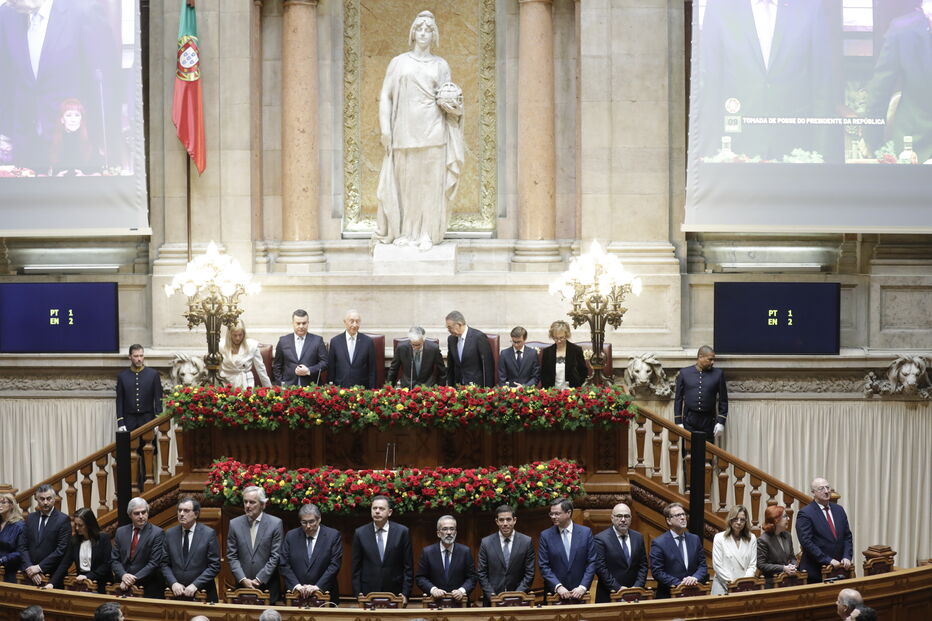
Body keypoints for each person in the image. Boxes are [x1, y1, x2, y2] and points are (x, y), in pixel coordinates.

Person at [695, 0, 843, 161]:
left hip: (796, 151)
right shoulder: (720, 6)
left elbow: (822, 86)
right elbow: (711, 85)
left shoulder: (809, 7)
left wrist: (822, 154)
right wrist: (708, 155)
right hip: (737, 149)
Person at [375, 10, 464, 250]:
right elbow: (385, 96)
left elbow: (448, 95)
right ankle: (406, 232)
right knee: (407, 184)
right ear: (412, 33)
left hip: (433, 129)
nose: (424, 33)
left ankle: (427, 233)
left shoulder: (440, 65)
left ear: (434, 35)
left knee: (431, 185)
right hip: (404, 130)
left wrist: (455, 106)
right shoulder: (399, 62)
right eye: (420, 28)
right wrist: (385, 129)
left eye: (429, 30)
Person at [0, 0, 117, 172]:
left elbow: (104, 83)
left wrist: (104, 139)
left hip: (73, 142)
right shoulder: (7, 14)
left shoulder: (84, 11)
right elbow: (6, 77)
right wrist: (4, 131)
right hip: (25, 142)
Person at [864, 1, 932, 162]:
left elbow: (879, 92)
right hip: (914, 150)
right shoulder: (903, 30)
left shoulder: (902, 29)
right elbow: (879, 92)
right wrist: (875, 145)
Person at [115, 344, 163, 489]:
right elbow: (120, 401)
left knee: (148, 453)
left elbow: (158, 399)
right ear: (130, 357)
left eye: (141, 355)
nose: (139, 359)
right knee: (129, 456)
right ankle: (132, 486)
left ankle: (149, 485)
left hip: (147, 419)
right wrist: (120, 422)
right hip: (129, 421)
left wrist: (157, 421)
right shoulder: (123, 376)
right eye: (136, 356)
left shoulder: (153, 375)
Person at [351, 495, 413, 602]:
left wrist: (405, 594)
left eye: (381, 508)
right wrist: (358, 594)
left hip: (395, 592)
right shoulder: (360, 533)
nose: (377, 511)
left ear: (389, 512)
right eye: (374, 508)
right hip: (367, 593)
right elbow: (356, 567)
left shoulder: (402, 532)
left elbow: (408, 567)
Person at [227, 486, 283, 603]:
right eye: (245, 502)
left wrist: (259, 579)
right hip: (242, 587)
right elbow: (232, 556)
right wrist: (243, 579)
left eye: (252, 502)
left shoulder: (275, 523)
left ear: (262, 504)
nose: (247, 506)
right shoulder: (234, 524)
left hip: (267, 587)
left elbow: (275, 556)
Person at [279, 503, 342, 604]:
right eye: (304, 522)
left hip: (325, 595)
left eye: (311, 522)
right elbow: (284, 564)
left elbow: (334, 565)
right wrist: (297, 586)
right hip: (295, 595)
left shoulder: (333, 536)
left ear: (319, 519)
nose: (308, 526)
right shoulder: (291, 536)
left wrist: (317, 587)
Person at [161, 497, 221, 602]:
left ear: (196, 514)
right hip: (176, 593)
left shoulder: (208, 534)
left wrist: (195, 584)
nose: (181, 514)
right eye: (179, 510)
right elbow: (164, 563)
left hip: (202, 593)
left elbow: (214, 565)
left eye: (186, 511)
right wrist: (173, 583)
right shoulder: (170, 533)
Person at [537, 498, 597, 602]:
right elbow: (543, 565)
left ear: (568, 513)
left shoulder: (585, 533)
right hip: (554, 595)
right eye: (551, 514)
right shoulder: (545, 535)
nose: (553, 517)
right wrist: (558, 586)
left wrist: (582, 587)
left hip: (580, 594)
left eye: (557, 514)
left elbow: (592, 562)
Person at [796, 477, 854, 583]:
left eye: (828, 487)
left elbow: (847, 536)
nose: (826, 491)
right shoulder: (805, 513)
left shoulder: (839, 510)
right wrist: (828, 560)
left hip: (840, 569)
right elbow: (806, 542)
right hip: (816, 572)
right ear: (813, 492)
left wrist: (847, 556)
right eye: (821, 488)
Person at [477, 504, 535, 606]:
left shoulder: (526, 542)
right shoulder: (486, 543)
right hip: (492, 601)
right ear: (497, 521)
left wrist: (517, 596)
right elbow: (481, 573)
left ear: (514, 520)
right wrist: (492, 596)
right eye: (501, 520)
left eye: (508, 519)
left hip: (519, 600)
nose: (505, 523)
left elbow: (529, 573)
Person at [649, 502, 708, 599]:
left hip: (694, 593)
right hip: (669, 596)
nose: (683, 517)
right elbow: (657, 571)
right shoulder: (659, 543)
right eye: (678, 515)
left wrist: (694, 578)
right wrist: (681, 584)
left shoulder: (694, 539)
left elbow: (702, 565)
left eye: (684, 514)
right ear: (669, 520)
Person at [415, 515, 477, 604]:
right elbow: (420, 578)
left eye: (452, 529)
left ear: (456, 532)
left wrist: (461, 591)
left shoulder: (465, 551)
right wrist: (433, 589)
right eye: (445, 529)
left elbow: (472, 577)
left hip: (459, 603)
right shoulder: (428, 552)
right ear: (438, 533)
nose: (449, 532)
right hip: (435, 603)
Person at [17, 485, 70, 587]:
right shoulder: (30, 518)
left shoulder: (63, 520)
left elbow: (61, 549)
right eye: (42, 499)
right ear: (37, 500)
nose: (45, 502)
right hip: (29, 575)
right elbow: (22, 545)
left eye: (48, 498)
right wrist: (30, 568)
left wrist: (39, 567)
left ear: (54, 499)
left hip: (52, 576)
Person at [48, 507, 111, 593]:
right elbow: (65, 563)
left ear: (89, 525)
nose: (77, 528)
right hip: (81, 584)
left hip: (101, 585)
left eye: (80, 525)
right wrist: (52, 583)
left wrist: (88, 577)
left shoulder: (103, 538)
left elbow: (106, 564)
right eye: (75, 525)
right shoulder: (74, 540)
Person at [593, 502, 648, 602]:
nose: (623, 520)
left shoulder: (638, 537)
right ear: (612, 518)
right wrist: (618, 588)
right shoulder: (600, 539)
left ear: (631, 518)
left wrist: (637, 587)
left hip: (635, 594)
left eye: (626, 516)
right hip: (609, 595)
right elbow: (601, 568)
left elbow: (643, 565)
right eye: (619, 516)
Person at [110, 497, 164, 598]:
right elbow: (114, 559)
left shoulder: (157, 533)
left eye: (144, 512)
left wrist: (131, 580)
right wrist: (123, 575)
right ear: (130, 515)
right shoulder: (121, 532)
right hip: (122, 585)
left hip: (147, 587)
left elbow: (154, 563)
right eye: (136, 513)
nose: (141, 516)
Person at [673, 345, 728, 442]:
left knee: (708, 449)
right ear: (700, 357)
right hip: (689, 420)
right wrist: (678, 421)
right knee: (688, 449)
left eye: (713, 359)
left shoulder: (718, 374)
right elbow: (678, 399)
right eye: (710, 359)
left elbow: (723, 400)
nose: (713, 362)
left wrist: (721, 422)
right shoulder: (684, 373)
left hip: (709, 421)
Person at [272, 309, 328, 387]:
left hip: (311, 387)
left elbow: (325, 363)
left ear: (308, 323)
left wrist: (309, 370)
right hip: (288, 388)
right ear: (293, 323)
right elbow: (277, 366)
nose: (301, 326)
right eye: (298, 323)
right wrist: (281, 384)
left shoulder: (317, 340)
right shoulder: (283, 341)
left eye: (304, 323)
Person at [711, 504, 757, 594]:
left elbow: (752, 565)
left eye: (742, 520)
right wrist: (733, 585)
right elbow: (717, 566)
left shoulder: (752, 538)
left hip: (744, 587)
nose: (739, 522)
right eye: (736, 519)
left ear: (746, 521)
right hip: (724, 586)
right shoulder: (719, 538)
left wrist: (743, 584)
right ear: (730, 520)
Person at [48, 98, 101, 176]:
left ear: (81, 119)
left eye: (77, 115)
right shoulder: (51, 142)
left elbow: (98, 173)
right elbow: (42, 174)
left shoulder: (91, 141)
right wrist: (56, 178)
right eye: (68, 115)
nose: (73, 120)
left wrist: (85, 177)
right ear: (62, 119)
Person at [328, 309, 377, 389]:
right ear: (345, 322)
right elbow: (331, 369)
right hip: (340, 389)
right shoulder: (335, 342)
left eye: (357, 322)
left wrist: (372, 390)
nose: (355, 325)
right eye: (352, 321)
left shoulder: (368, 342)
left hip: (361, 389)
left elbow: (372, 370)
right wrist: (331, 389)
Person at [445, 310, 495, 387]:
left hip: (475, 387)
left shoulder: (478, 337)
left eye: (450, 327)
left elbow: (487, 367)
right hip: (458, 386)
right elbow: (451, 365)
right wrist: (450, 387)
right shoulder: (451, 339)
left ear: (459, 324)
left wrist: (488, 389)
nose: (448, 330)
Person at [219, 321, 272, 389]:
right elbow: (218, 368)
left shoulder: (252, 345)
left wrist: (268, 389)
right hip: (226, 383)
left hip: (246, 383)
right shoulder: (221, 345)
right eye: (235, 335)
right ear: (229, 334)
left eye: (240, 335)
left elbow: (261, 369)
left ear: (244, 334)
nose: (238, 338)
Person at [756, 504, 798, 588]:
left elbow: (792, 557)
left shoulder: (787, 535)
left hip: (788, 580)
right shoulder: (763, 540)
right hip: (771, 583)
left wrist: (793, 566)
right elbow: (761, 565)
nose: (788, 519)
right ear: (776, 520)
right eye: (785, 516)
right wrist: (783, 568)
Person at [540, 321, 588, 389]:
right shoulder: (547, 352)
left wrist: (577, 387)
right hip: (552, 391)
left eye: (561, 338)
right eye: (555, 338)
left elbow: (583, 372)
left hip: (572, 391)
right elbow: (543, 374)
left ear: (567, 335)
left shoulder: (576, 350)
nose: (558, 341)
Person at [0, 492, 25, 583]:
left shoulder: (19, 525)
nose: (0, 505)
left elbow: (21, 551)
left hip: (10, 572)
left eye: (3, 502)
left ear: (11, 505)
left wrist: (2, 560)